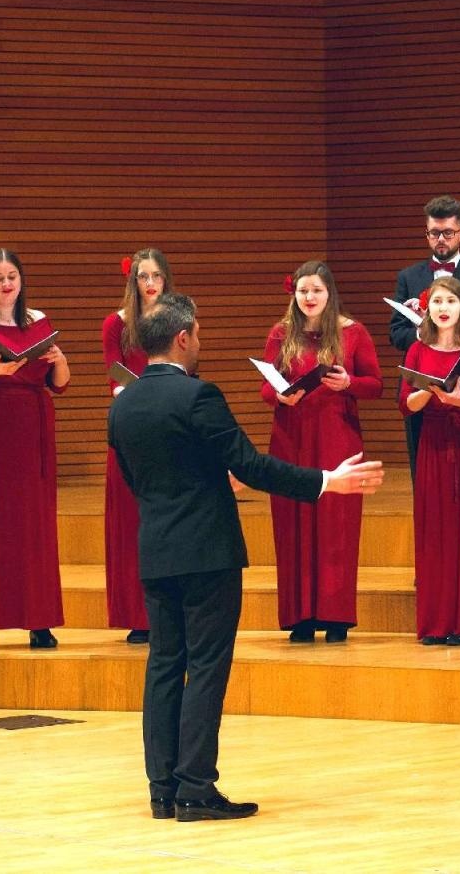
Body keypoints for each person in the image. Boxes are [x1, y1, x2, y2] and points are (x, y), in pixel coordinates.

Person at [108, 293, 382, 821]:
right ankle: (195, 788)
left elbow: (133, 478)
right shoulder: (198, 396)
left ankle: (163, 789)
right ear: (183, 337)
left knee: (165, 666)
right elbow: (251, 466)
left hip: (156, 549)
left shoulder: (124, 404)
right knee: (207, 668)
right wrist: (328, 481)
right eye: (199, 334)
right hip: (207, 551)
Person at [263, 261, 383, 643]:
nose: (309, 297)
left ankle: (335, 616)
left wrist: (348, 382)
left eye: (316, 290)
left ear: (329, 293)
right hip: (291, 436)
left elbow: (375, 385)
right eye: (303, 291)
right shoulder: (281, 334)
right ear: (294, 295)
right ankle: (299, 617)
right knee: (293, 522)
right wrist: (280, 394)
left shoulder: (353, 333)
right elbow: (267, 388)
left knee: (337, 525)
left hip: (336, 436)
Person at [0, 249, 70, 652]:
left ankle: (38, 623)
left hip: (29, 425)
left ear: (21, 280)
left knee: (32, 523)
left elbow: (59, 384)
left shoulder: (37, 322)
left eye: (12, 277)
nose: (6, 284)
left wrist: (60, 359)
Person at [400, 276, 460, 646]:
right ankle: (436, 622)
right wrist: (428, 392)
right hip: (434, 444)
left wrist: (457, 400)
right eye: (438, 302)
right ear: (429, 308)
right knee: (435, 531)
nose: (444, 308)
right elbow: (405, 404)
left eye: (451, 302)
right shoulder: (417, 350)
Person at [389, 195, 460, 475]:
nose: (441, 239)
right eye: (434, 233)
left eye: (448, 233)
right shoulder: (408, 277)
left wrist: (451, 333)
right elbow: (396, 333)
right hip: (420, 381)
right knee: (422, 470)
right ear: (426, 234)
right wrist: (425, 332)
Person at [103, 248, 171, 644]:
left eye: (156, 276)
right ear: (133, 281)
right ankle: (137, 615)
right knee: (131, 521)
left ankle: (167, 613)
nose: (149, 284)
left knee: (167, 520)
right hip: (133, 423)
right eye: (143, 276)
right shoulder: (117, 323)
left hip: (170, 425)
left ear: (165, 280)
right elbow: (115, 373)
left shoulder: (177, 318)